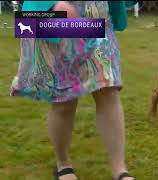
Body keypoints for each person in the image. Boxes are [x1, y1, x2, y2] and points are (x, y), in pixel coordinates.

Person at [10, 1, 136, 180]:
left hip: (97, 17)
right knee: (64, 100)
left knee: (109, 89)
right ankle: (63, 163)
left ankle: (120, 169)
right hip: (58, 19)